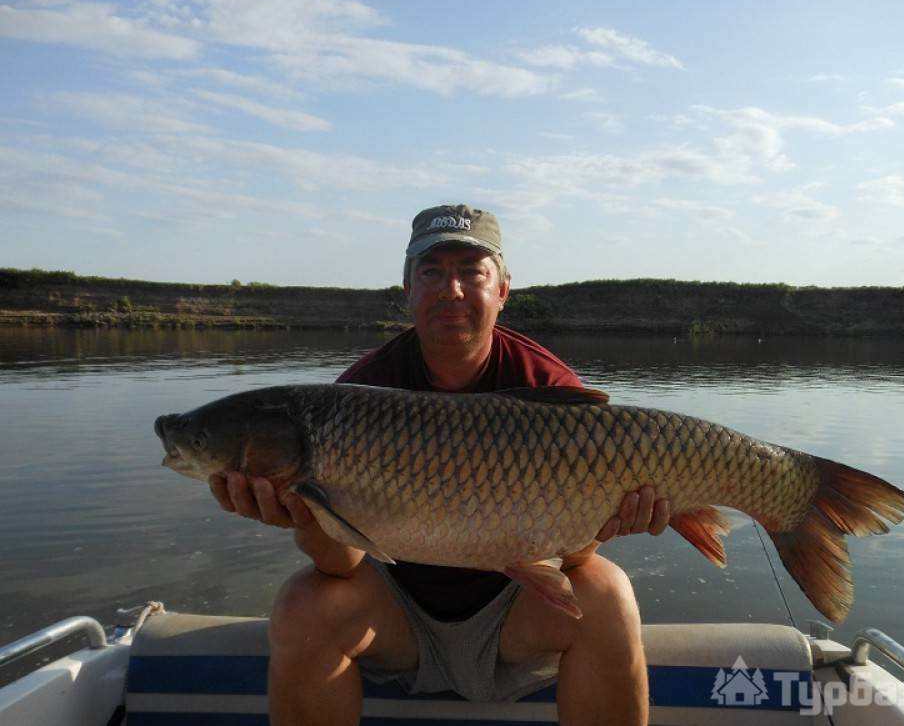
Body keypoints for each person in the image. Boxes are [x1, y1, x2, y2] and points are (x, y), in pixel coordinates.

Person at [209, 204, 672, 726]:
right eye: (432, 272)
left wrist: (614, 518)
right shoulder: (354, 398)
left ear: (502, 290)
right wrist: (301, 513)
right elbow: (341, 565)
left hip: (516, 613)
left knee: (607, 593)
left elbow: (571, 557)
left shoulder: (552, 388)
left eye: (471, 272)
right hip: (397, 616)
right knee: (303, 603)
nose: (451, 290)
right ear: (408, 289)